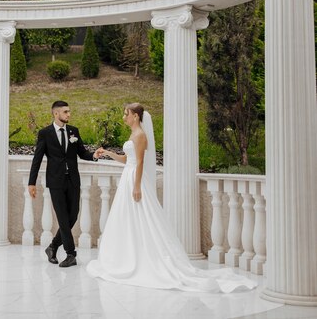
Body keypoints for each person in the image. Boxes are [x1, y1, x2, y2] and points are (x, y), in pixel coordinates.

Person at [87, 103, 256, 292]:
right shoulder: (132, 135)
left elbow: (140, 162)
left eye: (126, 114)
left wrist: (136, 186)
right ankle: (127, 256)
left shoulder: (140, 135)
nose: (123, 117)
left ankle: (146, 259)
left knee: (143, 217)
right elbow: (128, 159)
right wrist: (108, 154)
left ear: (135, 116)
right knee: (126, 218)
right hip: (128, 176)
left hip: (134, 180)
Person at [28, 100, 103, 268]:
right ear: (56, 114)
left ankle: (53, 247)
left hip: (73, 180)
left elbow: (82, 153)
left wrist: (94, 155)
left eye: (69, 112)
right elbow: (37, 159)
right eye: (65, 112)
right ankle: (71, 254)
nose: (69, 114)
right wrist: (31, 183)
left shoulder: (73, 131)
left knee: (73, 215)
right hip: (55, 181)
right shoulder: (45, 133)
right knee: (62, 217)